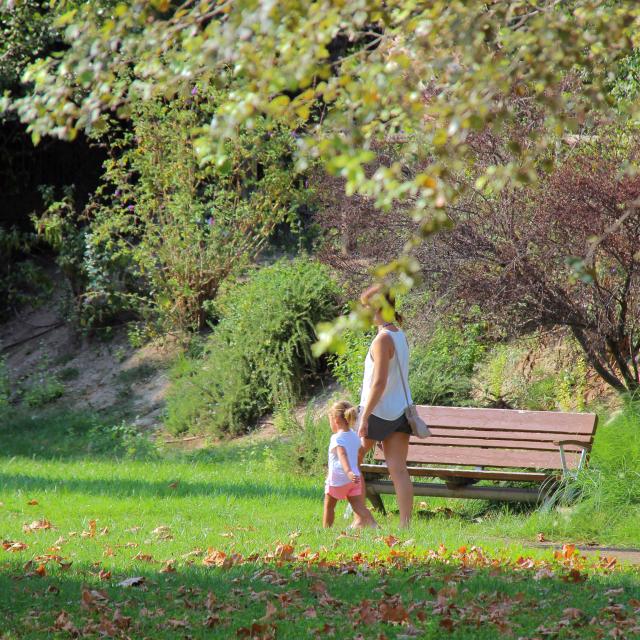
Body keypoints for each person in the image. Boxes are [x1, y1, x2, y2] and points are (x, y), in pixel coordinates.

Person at [357, 284, 414, 527]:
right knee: (398, 470)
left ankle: (363, 518)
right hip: (401, 409)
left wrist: (364, 416)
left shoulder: (382, 340)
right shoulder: (399, 335)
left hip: (379, 412)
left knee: (351, 460)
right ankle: (405, 525)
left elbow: (378, 384)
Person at [323, 400, 377, 528]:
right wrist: (353, 470)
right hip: (355, 479)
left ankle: (326, 530)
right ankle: (373, 524)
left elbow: (342, 455)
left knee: (329, 506)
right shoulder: (355, 436)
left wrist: (348, 472)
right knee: (358, 507)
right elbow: (360, 452)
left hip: (339, 478)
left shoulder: (336, 438)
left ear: (336, 420)